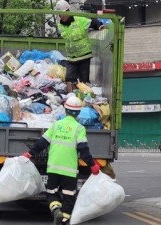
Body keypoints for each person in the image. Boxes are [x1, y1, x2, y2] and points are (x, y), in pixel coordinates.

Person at [22, 96, 100, 225]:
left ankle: (56, 210)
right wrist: (92, 165)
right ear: (79, 112)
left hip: (53, 168)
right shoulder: (79, 128)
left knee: (51, 193)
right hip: (69, 171)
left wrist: (29, 153)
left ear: (65, 110)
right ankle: (63, 220)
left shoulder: (56, 125)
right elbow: (83, 150)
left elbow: (42, 143)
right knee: (69, 198)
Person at [55, 0, 105, 84]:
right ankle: (73, 95)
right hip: (71, 58)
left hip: (84, 57)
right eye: (59, 14)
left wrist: (99, 25)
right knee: (69, 79)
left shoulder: (79, 20)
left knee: (84, 82)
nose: (61, 16)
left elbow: (93, 22)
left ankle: (83, 95)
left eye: (62, 13)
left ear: (68, 11)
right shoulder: (60, 25)